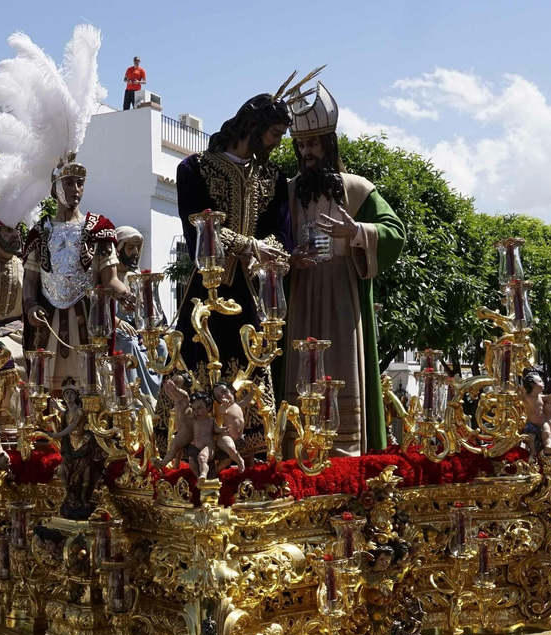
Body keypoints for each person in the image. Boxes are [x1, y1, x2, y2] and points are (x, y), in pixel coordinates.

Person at [283, 81, 406, 455]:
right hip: (301, 291)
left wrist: (357, 231)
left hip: (342, 295)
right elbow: (271, 238)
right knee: (299, 369)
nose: (307, 152)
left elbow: (395, 231)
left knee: (341, 365)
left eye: (314, 144)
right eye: (302, 145)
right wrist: (289, 257)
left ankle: (345, 452)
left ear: (330, 144)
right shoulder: (286, 191)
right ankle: (297, 447)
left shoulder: (357, 189)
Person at [173, 87, 294, 373]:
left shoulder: (273, 177)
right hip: (208, 289)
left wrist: (263, 252)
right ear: (254, 127)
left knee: (252, 377)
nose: (278, 142)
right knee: (200, 373)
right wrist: (249, 246)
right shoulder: (194, 169)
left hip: (253, 291)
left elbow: (283, 232)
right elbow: (198, 229)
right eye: (275, 134)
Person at [22, 158, 122, 387]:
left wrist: (128, 294)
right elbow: (30, 279)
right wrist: (29, 305)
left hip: (88, 317)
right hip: (48, 318)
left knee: (92, 382)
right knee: (44, 385)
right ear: (55, 187)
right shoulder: (40, 232)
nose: (75, 189)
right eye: (68, 183)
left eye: (80, 183)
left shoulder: (99, 229)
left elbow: (111, 279)